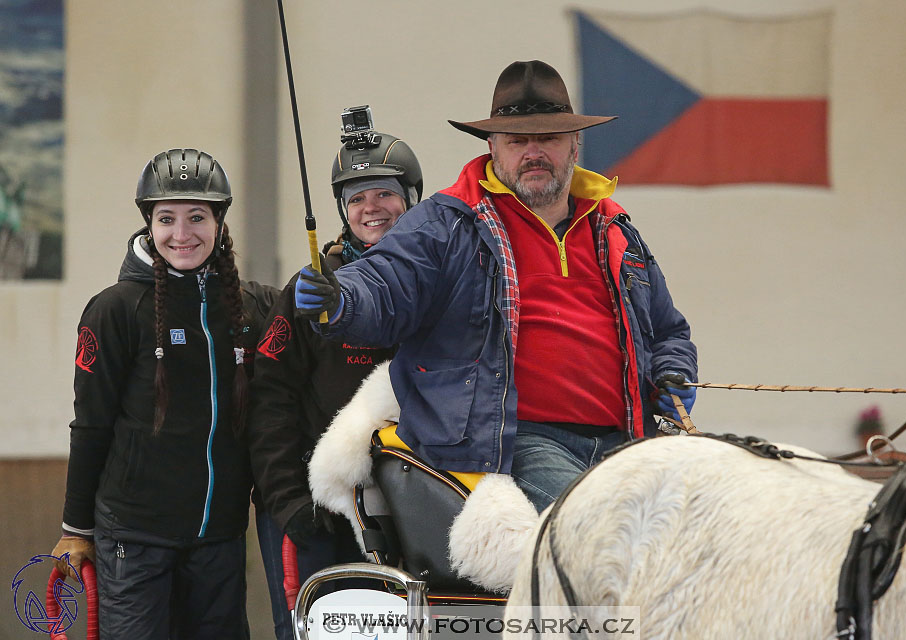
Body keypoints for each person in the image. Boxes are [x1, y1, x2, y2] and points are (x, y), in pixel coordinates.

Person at [295, 60, 698, 513]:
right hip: (513, 442)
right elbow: (383, 283)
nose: (533, 152)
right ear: (492, 146)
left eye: (547, 138)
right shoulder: (446, 222)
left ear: (575, 145)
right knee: (607, 525)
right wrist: (340, 298)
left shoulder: (615, 228)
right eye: (517, 140)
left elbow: (667, 332)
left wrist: (674, 372)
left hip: (625, 439)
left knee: (700, 526)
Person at [51, 149, 277, 639]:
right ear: (148, 224)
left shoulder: (253, 306)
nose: (182, 234)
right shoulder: (114, 310)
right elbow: (89, 425)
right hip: (134, 538)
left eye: (197, 217)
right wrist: (75, 528)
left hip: (219, 535)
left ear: (218, 222)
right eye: (166, 219)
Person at [247, 127, 422, 640]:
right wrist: (288, 501)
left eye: (386, 193)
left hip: (407, 513)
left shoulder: (439, 286)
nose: (372, 208)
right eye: (357, 198)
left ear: (411, 197)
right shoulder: (309, 293)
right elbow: (268, 402)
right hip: (313, 514)